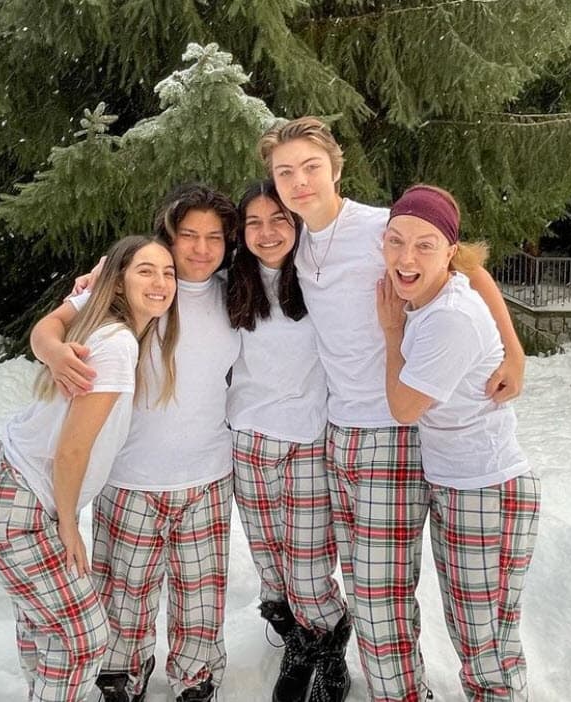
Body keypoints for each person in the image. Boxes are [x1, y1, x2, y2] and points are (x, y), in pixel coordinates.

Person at [257, 117, 527, 702]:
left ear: (337, 168)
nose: (299, 182)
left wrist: (514, 349)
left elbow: (470, 268)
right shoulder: (295, 238)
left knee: (379, 592)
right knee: (369, 592)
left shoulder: (383, 227)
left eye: (311, 167)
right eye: (285, 172)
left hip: (392, 429)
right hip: (339, 430)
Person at [32, 185, 241, 702]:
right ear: (167, 235)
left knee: (200, 597)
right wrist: (54, 351)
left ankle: (196, 678)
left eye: (214, 237)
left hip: (207, 475)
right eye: (188, 235)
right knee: (125, 592)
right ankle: (121, 671)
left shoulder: (237, 291)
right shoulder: (133, 282)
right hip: (129, 478)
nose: (200, 248)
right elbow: (50, 327)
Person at [0, 235, 179, 702]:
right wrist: (68, 521)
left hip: (6, 487)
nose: (161, 282)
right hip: (19, 502)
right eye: (146, 270)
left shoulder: (99, 319)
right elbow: (72, 449)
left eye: (168, 272)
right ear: (118, 284)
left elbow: (50, 326)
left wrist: (65, 319)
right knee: (82, 638)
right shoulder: (118, 342)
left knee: (45, 624)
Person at [375, 185, 540, 702]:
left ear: (450, 252)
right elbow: (479, 273)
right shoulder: (439, 291)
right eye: (396, 241)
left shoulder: (447, 318)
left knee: (485, 637)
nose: (405, 257)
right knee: (477, 628)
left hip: (485, 489)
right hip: (458, 483)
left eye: (425, 245)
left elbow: (403, 409)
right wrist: (515, 351)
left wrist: (389, 331)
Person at [225, 181, 351, 702]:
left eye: (278, 219)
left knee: (307, 562)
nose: (267, 232)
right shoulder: (229, 281)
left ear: (297, 223)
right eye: (254, 222)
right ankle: (297, 641)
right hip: (248, 441)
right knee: (269, 559)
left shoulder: (322, 278)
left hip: (307, 440)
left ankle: (329, 645)